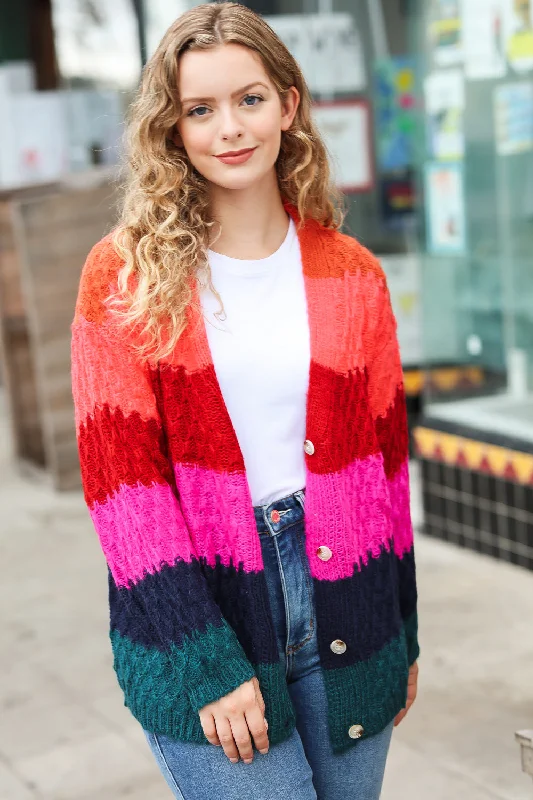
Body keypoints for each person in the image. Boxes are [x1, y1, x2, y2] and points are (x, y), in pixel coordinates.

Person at [70, 3, 419, 798]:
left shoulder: (352, 273)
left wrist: (401, 632)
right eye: (200, 108)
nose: (229, 128)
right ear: (172, 126)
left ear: (288, 106)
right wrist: (205, 665)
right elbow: (124, 494)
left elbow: (384, 467)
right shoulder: (123, 276)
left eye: (249, 99)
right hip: (206, 605)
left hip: (351, 604)